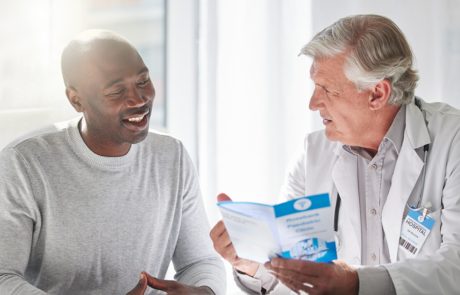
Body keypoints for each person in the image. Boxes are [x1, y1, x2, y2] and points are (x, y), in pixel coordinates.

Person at [210, 14, 460, 295]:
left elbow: (455, 267)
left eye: (327, 89)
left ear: (377, 93)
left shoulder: (453, 141)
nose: (313, 103)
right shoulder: (312, 156)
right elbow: (295, 275)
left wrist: (357, 284)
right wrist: (252, 264)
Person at [0, 30, 225, 295]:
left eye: (143, 80)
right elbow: (3, 278)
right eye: (116, 91)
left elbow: (201, 261)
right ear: (76, 100)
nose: (139, 100)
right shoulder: (23, 163)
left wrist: (205, 291)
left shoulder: (171, 156)